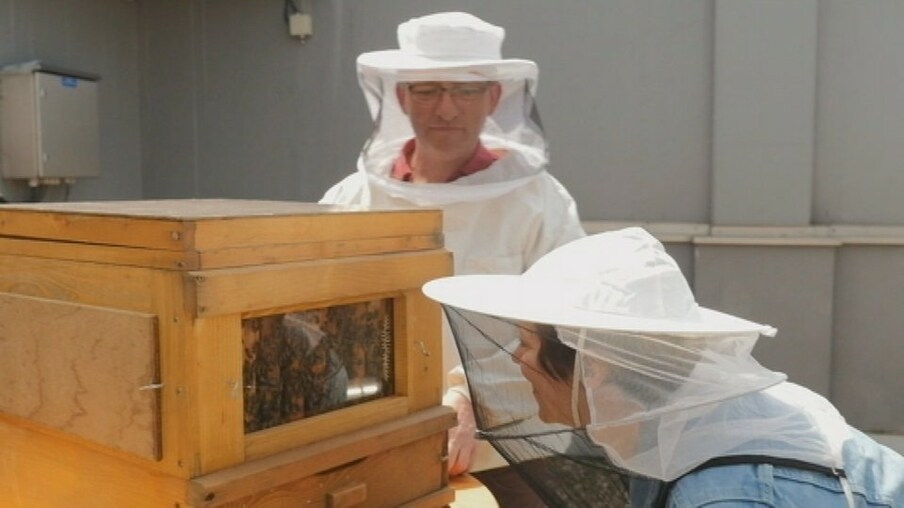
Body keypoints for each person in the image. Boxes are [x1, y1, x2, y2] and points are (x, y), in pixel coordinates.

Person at [423, 227, 904, 507]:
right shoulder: (676, 431)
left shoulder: (721, 495)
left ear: (597, 368)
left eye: (527, 343)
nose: (518, 359)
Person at [319, 11, 585, 500]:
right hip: (375, 450)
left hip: (512, 455)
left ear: (494, 97)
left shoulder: (540, 203)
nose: (446, 108)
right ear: (401, 97)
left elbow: (566, 329)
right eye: (427, 89)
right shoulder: (348, 201)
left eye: (465, 90)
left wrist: (469, 402)